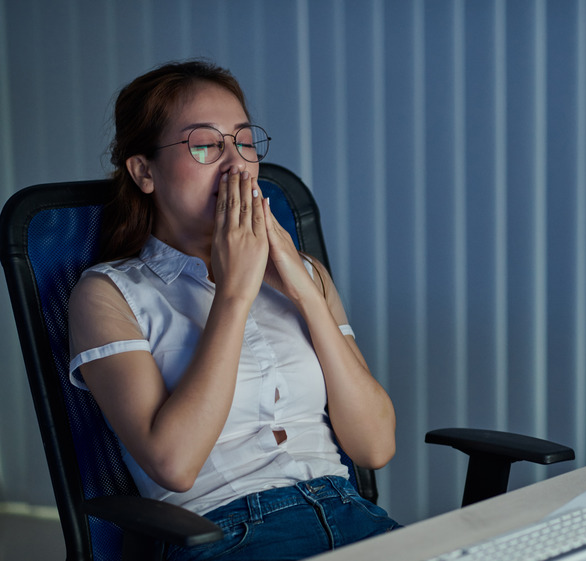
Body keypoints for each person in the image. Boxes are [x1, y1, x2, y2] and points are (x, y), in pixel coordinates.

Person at [67, 60, 400, 561]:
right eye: (205, 144)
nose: (236, 164)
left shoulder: (303, 274)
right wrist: (234, 294)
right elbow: (173, 464)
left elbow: (374, 447)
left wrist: (306, 293)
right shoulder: (108, 293)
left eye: (244, 141)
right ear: (144, 172)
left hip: (354, 516)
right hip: (227, 533)